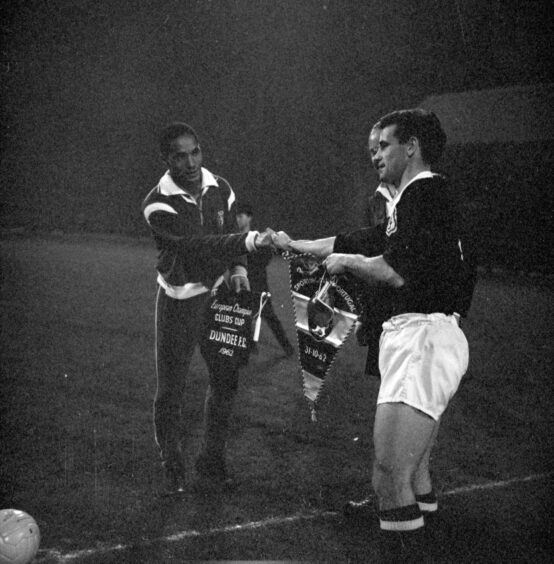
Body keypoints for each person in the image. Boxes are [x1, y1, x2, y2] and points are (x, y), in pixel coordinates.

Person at [272, 109, 475, 556]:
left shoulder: (421, 194)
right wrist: (304, 246)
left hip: (420, 336)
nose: (376, 155)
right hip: (431, 336)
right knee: (415, 471)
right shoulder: (427, 197)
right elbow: (367, 238)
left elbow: (393, 270)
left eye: (384, 145)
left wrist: (343, 264)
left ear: (412, 145)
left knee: (388, 476)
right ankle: (430, 539)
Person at [142, 122, 273, 494]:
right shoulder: (157, 203)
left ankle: (212, 460)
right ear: (166, 159)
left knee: (226, 380)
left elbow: (228, 246)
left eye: (195, 151)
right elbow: (198, 246)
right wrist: (248, 241)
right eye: (180, 155)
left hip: (219, 298)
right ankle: (172, 462)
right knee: (171, 388)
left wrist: (240, 271)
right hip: (179, 302)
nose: (190, 161)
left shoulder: (222, 187)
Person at [235, 203, 295, 357]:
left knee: (269, 317)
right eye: (237, 216)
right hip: (243, 286)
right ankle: (250, 348)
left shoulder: (257, 238)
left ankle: (288, 348)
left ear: (249, 218)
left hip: (259, 285)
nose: (238, 220)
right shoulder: (235, 239)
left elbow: (266, 258)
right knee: (243, 317)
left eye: (241, 216)